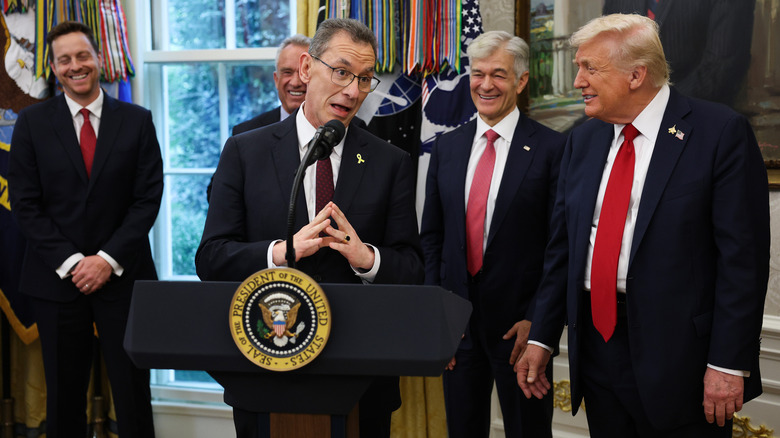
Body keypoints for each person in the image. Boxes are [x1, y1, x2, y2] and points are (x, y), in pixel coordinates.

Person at [515, 13, 769, 437]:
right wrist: (542, 337)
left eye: (589, 68)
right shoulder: (582, 140)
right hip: (596, 349)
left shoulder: (720, 133)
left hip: (682, 361)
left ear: (636, 75)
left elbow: (743, 262)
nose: (578, 81)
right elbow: (563, 249)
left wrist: (727, 363)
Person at [196, 18, 423, 438]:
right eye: (342, 72)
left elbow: (412, 267)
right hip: (267, 364)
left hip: (361, 377)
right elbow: (210, 258)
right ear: (306, 68)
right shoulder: (245, 151)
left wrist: (367, 259)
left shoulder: (390, 162)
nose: (353, 91)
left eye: (365, 79)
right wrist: (281, 252)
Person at [8, 21, 162, 438]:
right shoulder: (31, 123)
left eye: (82, 56)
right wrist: (75, 262)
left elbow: (147, 199)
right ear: (54, 68)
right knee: (63, 398)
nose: (75, 66)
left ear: (98, 58)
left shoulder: (137, 120)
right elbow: (25, 204)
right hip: (57, 280)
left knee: (133, 395)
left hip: (124, 277)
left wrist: (106, 260)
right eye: (64, 60)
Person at [420, 31, 564, 438]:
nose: (486, 85)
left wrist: (538, 322)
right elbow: (432, 238)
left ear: (521, 81)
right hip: (458, 328)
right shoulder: (446, 147)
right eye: (478, 74)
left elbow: (560, 246)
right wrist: (439, 315)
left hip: (520, 332)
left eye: (498, 74)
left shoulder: (553, 149)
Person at [602, 0, 755, 106]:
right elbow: (607, 49)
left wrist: (653, 106)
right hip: (621, 113)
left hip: (693, 114)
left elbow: (721, 67)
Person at [232, 34, 311, 135]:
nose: (295, 83)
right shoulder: (245, 133)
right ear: (276, 79)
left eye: (303, 72)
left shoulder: (329, 129)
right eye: (287, 72)